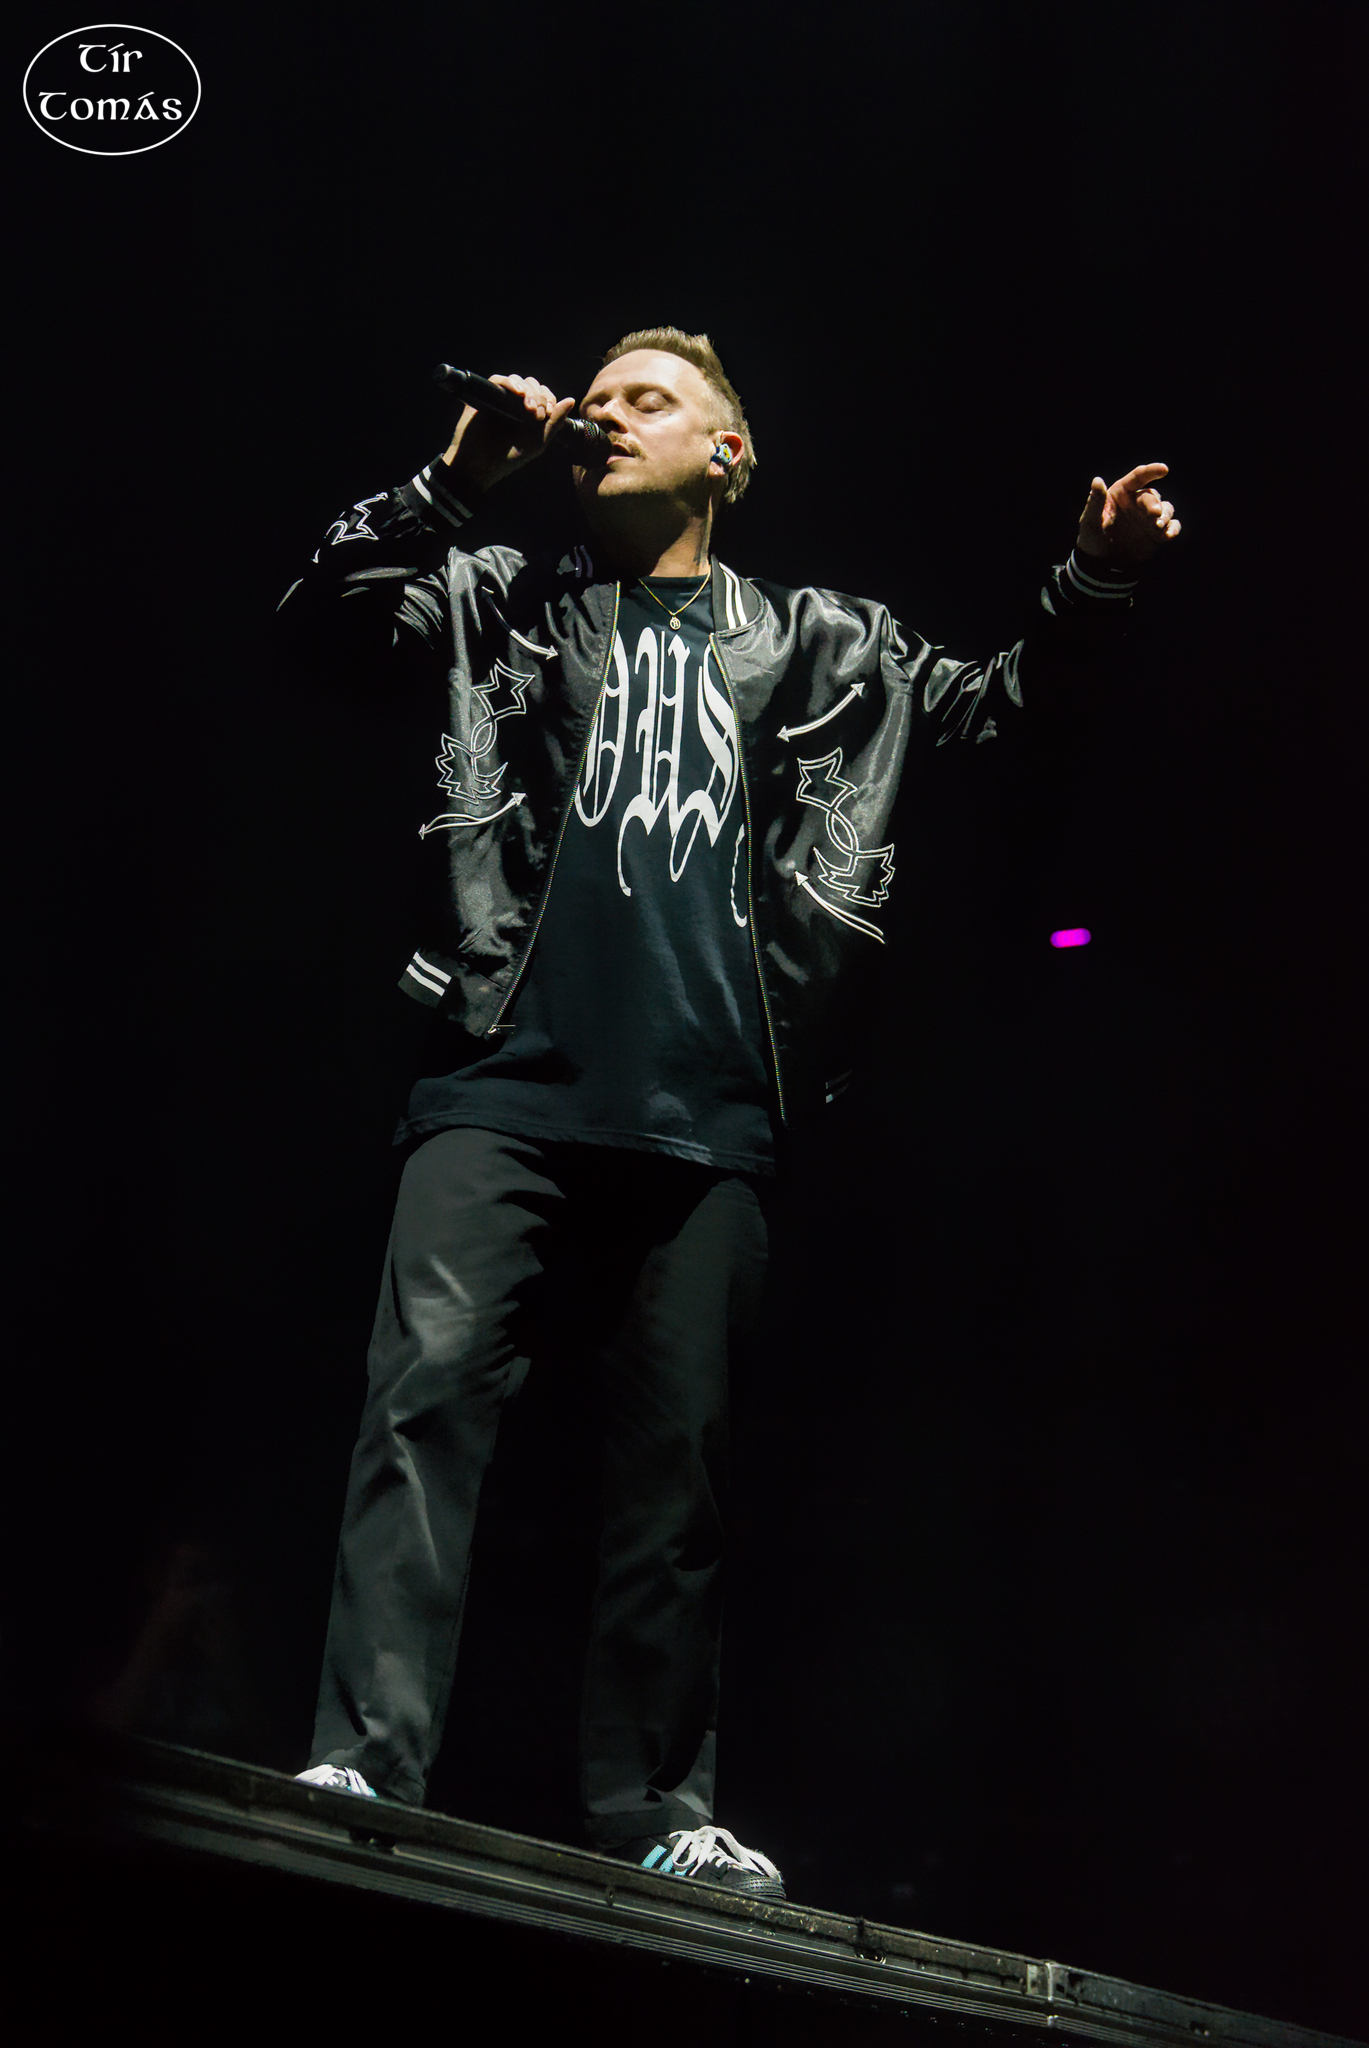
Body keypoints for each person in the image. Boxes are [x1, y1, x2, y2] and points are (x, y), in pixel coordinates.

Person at [278, 327, 1180, 1901]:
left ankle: (653, 1808)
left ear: (728, 453)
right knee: (418, 1411)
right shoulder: (498, 599)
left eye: (648, 399)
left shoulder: (830, 643)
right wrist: (451, 485)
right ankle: (365, 1759)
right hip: (498, 1075)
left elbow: (1002, 715)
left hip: (709, 1110)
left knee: (675, 1479)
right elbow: (316, 630)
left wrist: (1092, 575)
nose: (604, 416)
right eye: (596, 399)